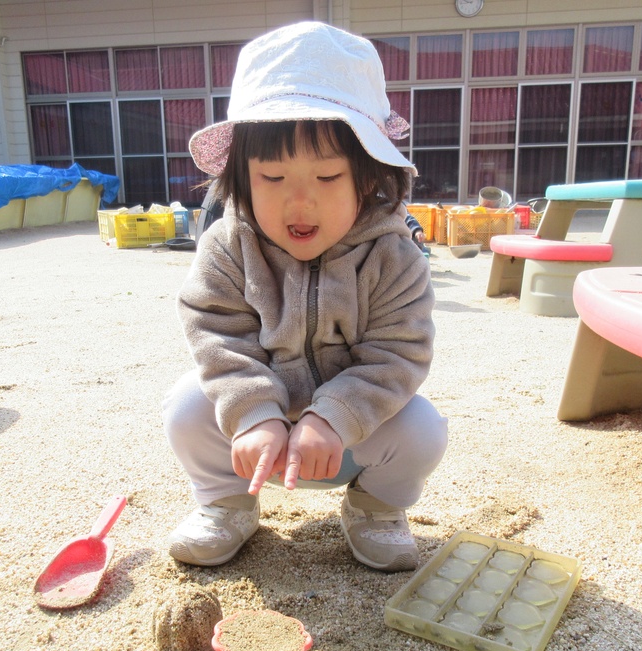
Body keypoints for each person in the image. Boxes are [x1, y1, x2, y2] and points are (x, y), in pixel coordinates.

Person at [162, 21, 448, 572]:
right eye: (271, 176)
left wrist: (334, 418)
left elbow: (398, 355)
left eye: (327, 176)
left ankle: (375, 507)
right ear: (240, 175)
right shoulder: (228, 245)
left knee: (423, 430)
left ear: (368, 176)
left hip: (351, 438)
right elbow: (217, 334)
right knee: (185, 406)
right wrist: (253, 412)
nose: (299, 202)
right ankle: (226, 502)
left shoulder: (393, 255)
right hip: (254, 442)